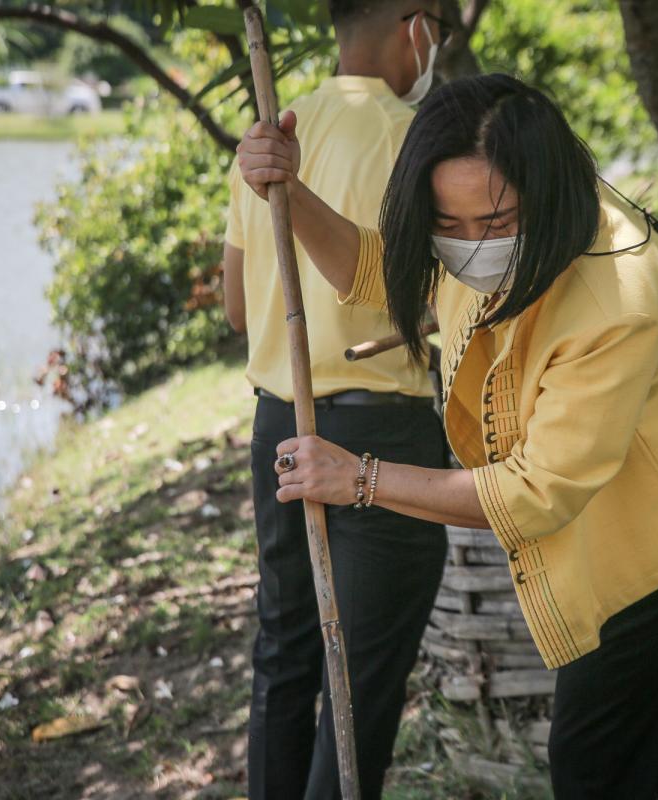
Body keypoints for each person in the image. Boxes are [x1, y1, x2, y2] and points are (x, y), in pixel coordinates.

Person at [234, 73, 658, 798]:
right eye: (450, 224)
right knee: (657, 719)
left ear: (549, 190)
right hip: (593, 497)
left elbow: (535, 491)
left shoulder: (617, 299)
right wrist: (289, 192)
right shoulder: (481, 230)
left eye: (497, 223)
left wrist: (362, 479)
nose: (473, 247)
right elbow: (382, 272)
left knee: (593, 760)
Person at [220, 3, 454, 798]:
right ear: (415, 27)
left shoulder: (268, 136)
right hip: (378, 433)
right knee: (361, 688)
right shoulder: (412, 133)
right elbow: (424, 287)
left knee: (285, 655)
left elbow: (237, 309)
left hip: (278, 423)